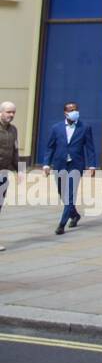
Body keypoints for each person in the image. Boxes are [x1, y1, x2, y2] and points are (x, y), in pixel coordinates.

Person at [41, 101, 97, 236]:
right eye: (71, 110)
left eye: (76, 109)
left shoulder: (85, 127)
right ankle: (75, 215)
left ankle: (61, 224)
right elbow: (50, 147)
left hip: (76, 165)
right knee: (62, 193)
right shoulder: (56, 128)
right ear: (65, 113)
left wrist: (92, 165)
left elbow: (90, 148)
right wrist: (46, 164)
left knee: (70, 194)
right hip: (60, 164)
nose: (74, 112)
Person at [0, 102, 19, 252]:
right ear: (1, 112)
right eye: (8, 112)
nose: (11, 115)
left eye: (13, 112)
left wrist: (20, 170)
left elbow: (15, 151)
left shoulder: (13, 130)